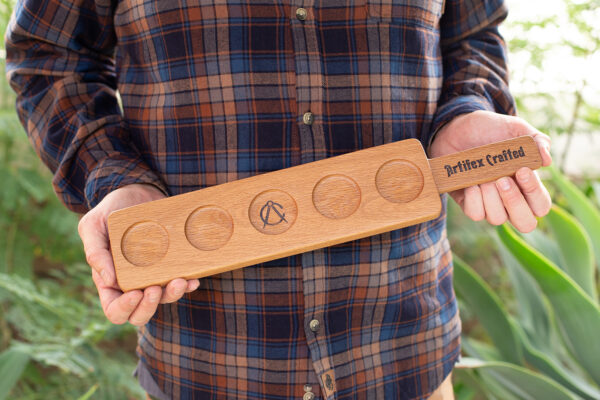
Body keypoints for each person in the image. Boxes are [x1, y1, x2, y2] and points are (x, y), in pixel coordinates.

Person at [5, 0, 552, 399]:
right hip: (208, 361)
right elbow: (48, 54)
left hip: (404, 352)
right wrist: (115, 174)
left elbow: (472, 34)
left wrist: (465, 108)